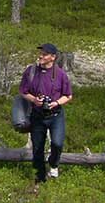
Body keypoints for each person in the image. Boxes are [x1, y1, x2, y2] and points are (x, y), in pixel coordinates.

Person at [18, 43, 72, 183]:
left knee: (57, 144)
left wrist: (57, 103)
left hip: (55, 115)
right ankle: (40, 178)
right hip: (37, 116)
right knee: (37, 149)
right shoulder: (31, 71)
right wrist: (34, 100)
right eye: (41, 53)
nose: (41, 56)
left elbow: (68, 95)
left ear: (53, 57)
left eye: (45, 54)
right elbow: (23, 91)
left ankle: (53, 164)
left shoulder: (60, 74)